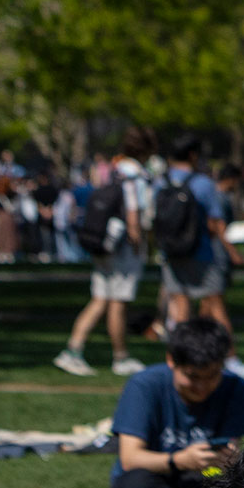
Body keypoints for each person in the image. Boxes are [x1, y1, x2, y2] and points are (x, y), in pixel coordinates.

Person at [103, 318, 244, 488]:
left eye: (212, 376)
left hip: (200, 478)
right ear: (171, 360)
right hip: (154, 476)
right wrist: (180, 460)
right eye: (192, 377)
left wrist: (227, 458)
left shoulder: (235, 386)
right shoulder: (144, 385)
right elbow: (130, 459)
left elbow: (232, 449)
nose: (202, 387)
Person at [55, 130, 153, 378]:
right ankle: (120, 356)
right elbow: (133, 216)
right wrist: (140, 244)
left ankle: (73, 350)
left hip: (102, 243)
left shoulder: (114, 171)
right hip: (121, 247)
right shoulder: (136, 178)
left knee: (100, 299)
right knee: (118, 302)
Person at [157, 137, 235, 332]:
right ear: (193, 155)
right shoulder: (203, 183)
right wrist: (230, 251)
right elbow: (216, 222)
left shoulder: (160, 182)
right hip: (200, 251)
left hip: (170, 251)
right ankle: (230, 358)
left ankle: (180, 358)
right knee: (216, 305)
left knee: (180, 307)